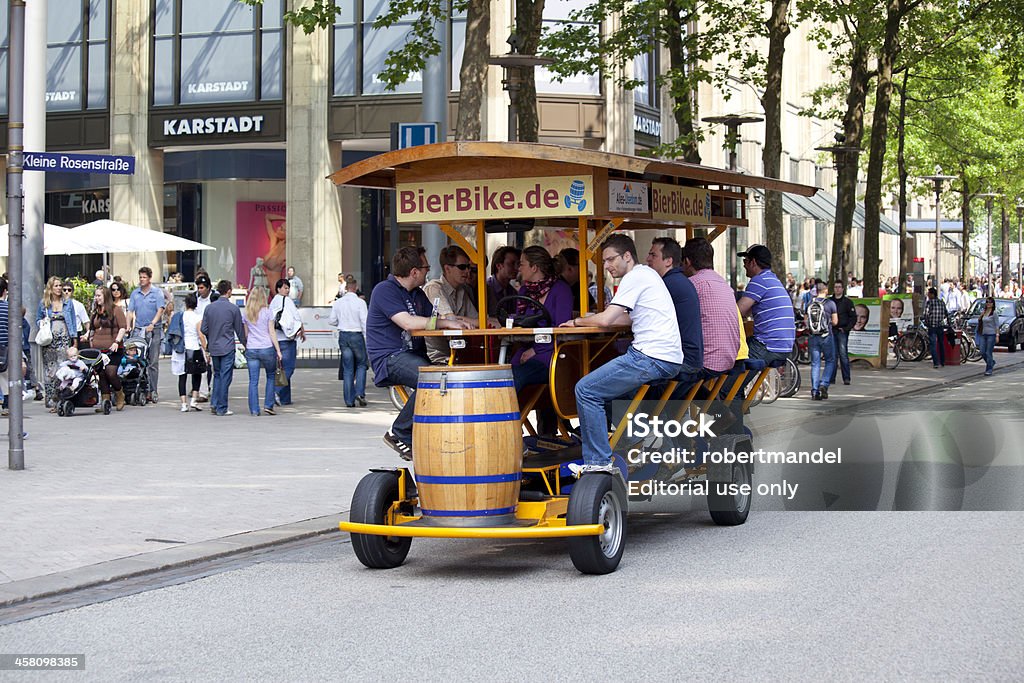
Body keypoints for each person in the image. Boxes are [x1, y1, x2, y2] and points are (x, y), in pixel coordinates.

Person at [560, 234, 683, 474]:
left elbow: (607, 319)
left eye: (610, 259)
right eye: (604, 262)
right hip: (667, 357)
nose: (606, 266)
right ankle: (639, 442)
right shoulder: (647, 274)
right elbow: (625, 317)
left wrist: (577, 321)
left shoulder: (635, 276)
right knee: (607, 393)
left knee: (586, 389)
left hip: (649, 356)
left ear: (627, 256)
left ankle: (598, 463)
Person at [366, 246, 473, 460]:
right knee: (434, 379)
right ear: (414, 272)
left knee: (450, 377)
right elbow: (407, 322)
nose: (428, 273)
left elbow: (441, 317)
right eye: (426, 268)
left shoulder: (416, 294)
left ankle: (430, 435)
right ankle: (399, 433)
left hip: (413, 356)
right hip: (390, 357)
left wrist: (478, 323)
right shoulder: (384, 290)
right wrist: (445, 323)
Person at [511, 246, 573, 393]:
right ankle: (514, 415)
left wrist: (536, 350)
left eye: (521, 264)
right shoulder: (524, 291)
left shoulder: (561, 290)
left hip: (553, 354)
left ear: (534, 267)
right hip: (525, 350)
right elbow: (520, 322)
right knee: (502, 376)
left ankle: (507, 415)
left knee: (515, 376)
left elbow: (562, 329)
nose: (519, 269)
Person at [646, 237, 703, 386]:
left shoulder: (667, 285)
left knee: (623, 383)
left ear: (668, 261)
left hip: (681, 360)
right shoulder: (680, 280)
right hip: (691, 358)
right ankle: (722, 410)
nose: (648, 259)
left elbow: (641, 317)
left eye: (653, 255)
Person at [680, 237, 740, 375]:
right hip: (729, 359)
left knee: (654, 377)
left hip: (706, 362)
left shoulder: (692, 285)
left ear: (687, 262)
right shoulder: (723, 282)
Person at [422, 245, 485, 363]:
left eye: (468, 267)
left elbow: (478, 321)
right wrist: (462, 321)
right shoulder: (434, 288)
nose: (467, 271)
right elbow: (450, 319)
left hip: (457, 353)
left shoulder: (462, 290)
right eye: (462, 267)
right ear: (447, 269)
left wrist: (464, 320)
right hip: (435, 357)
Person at [737, 245, 795, 366]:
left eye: (745, 261)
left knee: (730, 358)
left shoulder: (759, 281)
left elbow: (738, 311)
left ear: (753, 262)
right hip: (784, 347)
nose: (743, 265)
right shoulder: (773, 279)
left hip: (767, 345)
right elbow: (748, 311)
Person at [201, 280, 247, 416]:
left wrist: (212, 335)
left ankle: (214, 403)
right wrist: (246, 345)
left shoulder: (209, 308)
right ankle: (222, 406)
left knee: (217, 375)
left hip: (214, 347)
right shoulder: (233, 309)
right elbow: (239, 330)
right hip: (227, 346)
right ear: (229, 291)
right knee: (226, 376)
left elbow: (203, 328)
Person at [37, 276, 78, 411]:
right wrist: (41, 323)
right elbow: (38, 319)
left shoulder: (68, 303)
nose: (59, 288)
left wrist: (74, 341)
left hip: (64, 339)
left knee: (63, 368)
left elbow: (72, 321)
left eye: (60, 285)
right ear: (50, 287)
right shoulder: (44, 303)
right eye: (56, 286)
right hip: (49, 341)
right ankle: (50, 399)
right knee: (50, 371)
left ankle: (61, 399)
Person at [128, 266, 166, 403]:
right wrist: (128, 325)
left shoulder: (157, 293)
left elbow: (160, 310)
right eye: (140, 277)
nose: (142, 280)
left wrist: (153, 323)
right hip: (139, 329)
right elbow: (130, 311)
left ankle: (153, 390)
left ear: (149, 278)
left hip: (153, 330)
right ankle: (140, 387)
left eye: (144, 277)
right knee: (137, 359)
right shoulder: (135, 293)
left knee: (153, 361)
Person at [329, 276, 369, 408]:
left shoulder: (339, 303)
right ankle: (360, 392)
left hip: (344, 335)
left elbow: (332, 320)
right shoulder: (360, 303)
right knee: (362, 365)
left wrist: (341, 322)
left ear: (346, 288)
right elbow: (365, 322)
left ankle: (349, 400)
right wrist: (367, 338)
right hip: (356, 335)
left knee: (347, 369)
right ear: (356, 288)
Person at [242, 287, 282, 416]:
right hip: (266, 347)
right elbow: (271, 332)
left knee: (253, 381)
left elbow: (246, 334)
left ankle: (254, 410)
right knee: (270, 376)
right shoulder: (268, 312)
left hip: (252, 348)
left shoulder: (247, 313)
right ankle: (268, 405)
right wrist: (278, 350)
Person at [87, 285, 128, 411]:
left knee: (111, 372)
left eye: (99, 295)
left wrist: (117, 341)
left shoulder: (116, 310)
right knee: (101, 374)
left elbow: (122, 327)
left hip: (113, 348)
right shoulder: (96, 312)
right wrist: (88, 339)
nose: (96, 298)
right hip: (98, 350)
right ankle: (106, 402)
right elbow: (92, 329)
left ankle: (119, 393)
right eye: (96, 295)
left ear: (105, 296)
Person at [269, 278, 305, 405]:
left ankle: (285, 398)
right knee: (289, 368)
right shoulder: (288, 301)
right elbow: (296, 317)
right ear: (278, 289)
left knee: (281, 370)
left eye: (288, 287)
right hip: (287, 339)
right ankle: (275, 391)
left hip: (276, 339)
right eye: (284, 287)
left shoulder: (273, 302)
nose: (287, 290)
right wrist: (301, 330)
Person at [173, 293, 209, 412]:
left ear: (185, 303)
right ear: (196, 304)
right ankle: (194, 400)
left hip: (180, 348)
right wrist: (206, 349)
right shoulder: (197, 317)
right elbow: (200, 335)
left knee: (182, 376)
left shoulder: (179, 316)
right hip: (194, 347)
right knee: (196, 374)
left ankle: (183, 403)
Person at [806, 282, 838, 400]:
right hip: (826, 335)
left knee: (815, 363)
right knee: (830, 360)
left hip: (813, 336)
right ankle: (824, 384)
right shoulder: (830, 303)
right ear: (826, 290)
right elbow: (835, 322)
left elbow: (806, 321)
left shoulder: (810, 303)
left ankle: (814, 391)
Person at [829, 281, 855, 386]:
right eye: (836, 287)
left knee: (843, 354)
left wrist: (847, 328)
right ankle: (831, 378)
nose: (837, 289)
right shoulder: (829, 301)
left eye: (839, 287)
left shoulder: (847, 302)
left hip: (842, 331)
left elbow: (853, 317)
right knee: (833, 355)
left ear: (843, 289)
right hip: (832, 330)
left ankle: (846, 378)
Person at [487, 246, 520, 314]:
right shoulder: (486, 290)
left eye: (518, 264)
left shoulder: (513, 292)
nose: (517, 268)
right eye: (512, 264)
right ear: (499, 266)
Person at [923, 287, 948, 368]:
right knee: (941, 343)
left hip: (932, 326)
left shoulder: (929, 303)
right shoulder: (941, 302)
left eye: (929, 293)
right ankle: (943, 361)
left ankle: (936, 362)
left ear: (932, 294)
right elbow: (946, 313)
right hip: (940, 326)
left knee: (933, 344)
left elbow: (926, 314)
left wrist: (927, 322)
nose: (928, 295)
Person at [975, 296, 998, 376]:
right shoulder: (984, 312)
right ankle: (991, 362)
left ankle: (989, 369)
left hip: (991, 334)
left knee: (988, 352)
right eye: (987, 302)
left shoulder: (994, 313)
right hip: (983, 334)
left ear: (993, 304)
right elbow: (979, 321)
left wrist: (997, 335)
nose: (988, 303)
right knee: (982, 351)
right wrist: (981, 316)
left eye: (990, 302)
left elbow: (997, 325)